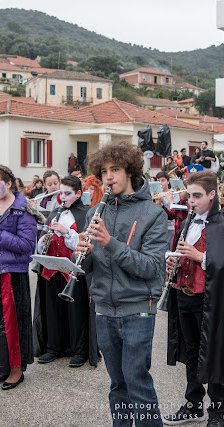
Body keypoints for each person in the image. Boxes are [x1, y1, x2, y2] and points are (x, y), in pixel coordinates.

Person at [76, 141, 167, 425]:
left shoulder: (153, 214)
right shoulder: (94, 213)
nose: (108, 177)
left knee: (137, 383)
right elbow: (92, 268)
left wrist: (110, 243)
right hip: (104, 309)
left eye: (115, 170)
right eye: (104, 172)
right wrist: (83, 255)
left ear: (130, 171)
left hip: (138, 309)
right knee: (118, 386)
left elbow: (152, 268)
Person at [162, 171, 224, 427]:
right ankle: (193, 403)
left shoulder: (221, 225)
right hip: (184, 295)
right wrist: (172, 262)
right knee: (190, 352)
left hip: (209, 300)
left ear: (212, 195)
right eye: (190, 195)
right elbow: (182, 253)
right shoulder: (188, 222)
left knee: (214, 351)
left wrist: (199, 257)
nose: (192, 201)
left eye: (197, 196)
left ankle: (217, 411)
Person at [0, 165, 38, 390]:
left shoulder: (24, 209)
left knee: (14, 323)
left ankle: (16, 370)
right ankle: (2, 366)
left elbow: (26, 246)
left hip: (12, 273)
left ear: (9, 183)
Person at [34, 175, 94, 368]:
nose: (63, 197)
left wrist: (67, 233)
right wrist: (44, 240)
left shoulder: (85, 213)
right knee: (52, 310)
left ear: (78, 194)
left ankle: (79, 350)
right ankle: (53, 347)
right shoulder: (55, 212)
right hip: (52, 269)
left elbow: (86, 243)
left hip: (73, 270)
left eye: (67, 193)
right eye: (61, 193)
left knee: (75, 312)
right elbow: (43, 237)